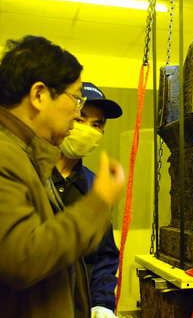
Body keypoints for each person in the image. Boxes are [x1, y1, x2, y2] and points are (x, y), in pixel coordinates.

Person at [0, 35, 125, 318]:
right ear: (39, 95)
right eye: (75, 100)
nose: (76, 114)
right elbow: (23, 260)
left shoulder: (24, 155)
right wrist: (97, 202)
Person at [52, 82, 123, 318]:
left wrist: (102, 304)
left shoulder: (96, 186)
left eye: (97, 125)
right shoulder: (30, 176)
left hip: (79, 303)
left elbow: (105, 254)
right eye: (81, 120)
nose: (87, 130)